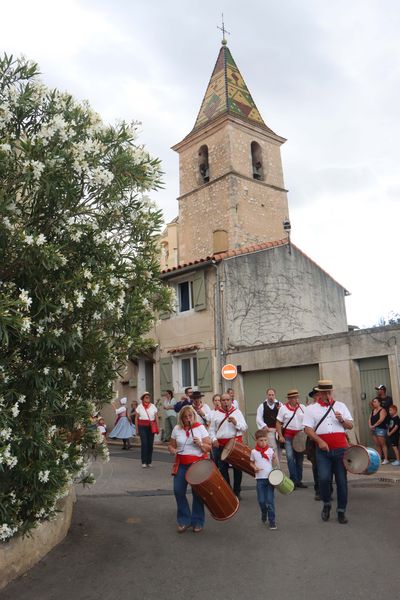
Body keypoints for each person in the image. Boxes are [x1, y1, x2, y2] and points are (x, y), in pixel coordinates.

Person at [303, 380, 353, 524]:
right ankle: (326, 504)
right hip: (323, 451)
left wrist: (342, 420)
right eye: (324, 392)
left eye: (329, 392)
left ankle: (341, 511)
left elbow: (350, 425)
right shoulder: (311, 409)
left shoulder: (341, 406)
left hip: (341, 450)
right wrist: (320, 441)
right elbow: (307, 429)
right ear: (319, 393)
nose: (327, 395)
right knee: (324, 479)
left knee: (342, 482)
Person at [168, 406, 211, 533]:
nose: (188, 419)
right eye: (185, 417)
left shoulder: (200, 428)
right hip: (181, 464)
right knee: (178, 491)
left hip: (197, 465)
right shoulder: (177, 429)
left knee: (197, 494)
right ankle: (184, 520)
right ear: (181, 418)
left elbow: (208, 448)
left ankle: (198, 521)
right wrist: (172, 450)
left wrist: (201, 444)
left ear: (193, 416)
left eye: (190, 416)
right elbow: (171, 445)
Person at [209, 392, 248, 499]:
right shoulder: (216, 414)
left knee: (237, 468)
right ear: (220, 402)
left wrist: (236, 423)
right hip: (221, 444)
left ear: (231, 401)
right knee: (223, 469)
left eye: (228, 400)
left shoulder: (237, 412)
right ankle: (229, 491)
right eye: (223, 400)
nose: (226, 402)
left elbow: (244, 427)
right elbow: (211, 430)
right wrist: (213, 439)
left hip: (235, 445)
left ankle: (237, 491)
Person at [276, 389, 307, 488]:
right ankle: (294, 479)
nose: (296, 399)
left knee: (299, 459)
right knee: (290, 457)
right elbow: (278, 423)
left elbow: (307, 420)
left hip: (300, 436)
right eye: (293, 398)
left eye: (297, 397)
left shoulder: (302, 407)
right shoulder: (283, 409)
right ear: (289, 399)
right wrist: (280, 436)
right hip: (288, 436)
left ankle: (299, 480)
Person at [250, 429, 277, 529]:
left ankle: (272, 521)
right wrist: (254, 467)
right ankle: (264, 512)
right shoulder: (253, 452)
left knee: (270, 501)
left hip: (270, 479)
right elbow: (251, 462)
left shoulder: (270, 451)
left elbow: (274, 465)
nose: (263, 442)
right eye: (261, 440)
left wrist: (274, 459)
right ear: (256, 440)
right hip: (260, 480)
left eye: (265, 440)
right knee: (261, 501)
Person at [256, 388, 282, 465]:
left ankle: (277, 466)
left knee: (279, 449)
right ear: (266, 395)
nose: (271, 396)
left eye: (272, 395)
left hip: (279, 431)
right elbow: (258, 418)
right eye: (269, 395)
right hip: (269, 431)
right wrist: (264, 426)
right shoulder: (262, 406)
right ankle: (276, 468)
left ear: (275, 395)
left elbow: (284, 416)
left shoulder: (279, 404)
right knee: (273, 449)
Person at [135, 392, 159, 468]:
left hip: (151, 426)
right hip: (142, 426)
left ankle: (149, 461)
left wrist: (158, 427)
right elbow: (136, 418)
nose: (148, 398)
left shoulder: (153, 406)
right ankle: (144, 462)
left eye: (148, 397)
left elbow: (156, 417)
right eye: (146, 397)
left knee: (150, 444)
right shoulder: (139, 407)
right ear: (143, 398)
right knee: (144, 444)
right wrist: (137, 429)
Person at [369, 398, 389, 464]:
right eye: (373, 402)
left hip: (381, 429)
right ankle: (380, 458)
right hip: (373, 429)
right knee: (377, 445)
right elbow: (369, 419)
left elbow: (381, 419)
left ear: (379, 403)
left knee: (383, 444)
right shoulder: (373, 410)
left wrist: (374, 425)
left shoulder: (382, 410)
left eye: (375, 402)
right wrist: (370, 425)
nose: (373, 403)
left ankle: (386, 459)